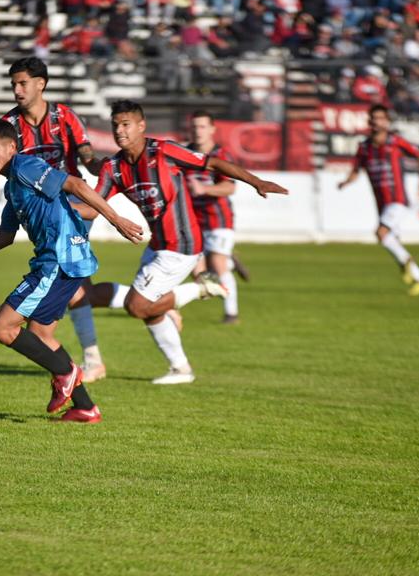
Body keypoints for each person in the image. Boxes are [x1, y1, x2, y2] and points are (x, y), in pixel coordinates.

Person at [0, 119, 144, 423]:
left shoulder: (24, 167)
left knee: (0, 326)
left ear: (12, 148)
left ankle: (67, 371)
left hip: (58, 261)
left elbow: (75, 184)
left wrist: (116, 219)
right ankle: (85, 407)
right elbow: (5, 235)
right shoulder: (14, 188)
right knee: (41, 334)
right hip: (64, 261)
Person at [93, 100, 288, 384]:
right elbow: (95, 202)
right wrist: (62, 202)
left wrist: (255, 181)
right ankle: (180, 368)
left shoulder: (164, 151)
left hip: (182, 244)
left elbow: (214, 163)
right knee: (149, 311)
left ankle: (199, 288)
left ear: (141, 126)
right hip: (157, 245)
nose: (119, 130)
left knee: (137, 306)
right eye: (115, 125)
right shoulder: (114, 167)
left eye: (125, 124)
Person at [0, 57, 115, 383]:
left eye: (22, 83)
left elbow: (86, 161)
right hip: (41, 210)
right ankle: (82, 366)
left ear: (41, 84)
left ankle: (85, 362)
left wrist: (106, 174)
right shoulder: (8, 126)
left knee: (70, 283)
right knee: (73, 290)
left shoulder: (65, 117)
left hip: (71, 206)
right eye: (13, 84)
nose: (17, 90)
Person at [337, 104, 419, 296]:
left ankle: (406, 264)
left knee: (382, 233)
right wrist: (346, 182)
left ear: (386, 122)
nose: (376, 122)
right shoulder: (364, 148)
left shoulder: (395, 141)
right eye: (373, 118)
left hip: (397, 200)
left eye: (380, 118)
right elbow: (356, 170)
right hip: (381, 203)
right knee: (390, 240)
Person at [184, 111, 243, 324]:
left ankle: (231, 314)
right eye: (194, 127)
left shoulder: (222, 155)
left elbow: (230, 187)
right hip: (193, 220)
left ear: (212, 130)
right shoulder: (184, 153)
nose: (197, 131)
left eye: (201, 127)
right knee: (195, 270)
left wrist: (204, 188)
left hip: (218, 219)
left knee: (217, 265)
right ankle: (230, 264)